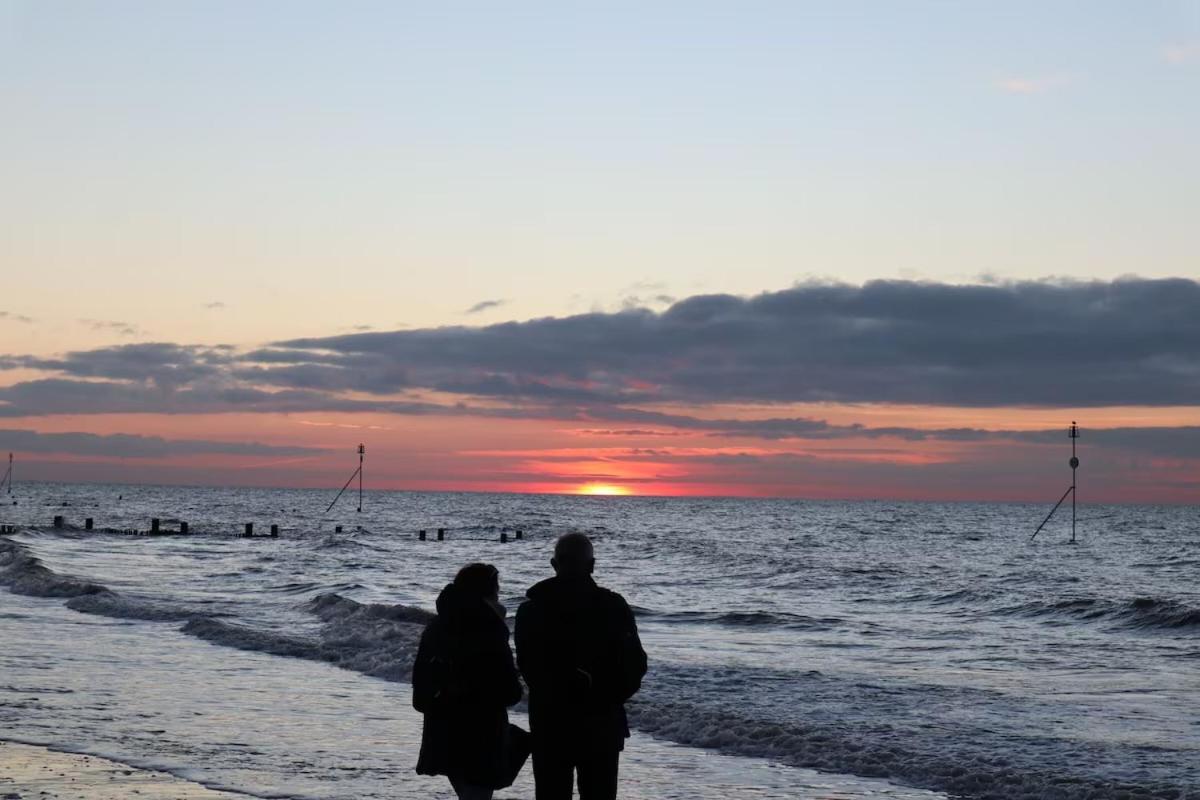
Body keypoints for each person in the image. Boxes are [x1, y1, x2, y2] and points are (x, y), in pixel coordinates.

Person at [515, 532, 648, 800]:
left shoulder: (531, 611)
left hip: (550, 724)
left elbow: (529, 668)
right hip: (601, 725)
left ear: (554, 564)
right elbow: (635, 665)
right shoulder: (613, 606)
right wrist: (606, 697)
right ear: (592, 565)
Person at [414, 563, 525, 800]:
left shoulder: (436, 626)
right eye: (497, 588)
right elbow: (509, 692)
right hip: (482, 733)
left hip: (443, 730)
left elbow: (420, 690)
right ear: (490, 591)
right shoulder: (490, 627)